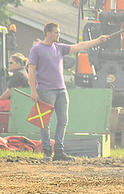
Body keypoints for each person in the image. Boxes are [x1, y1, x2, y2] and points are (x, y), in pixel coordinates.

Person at [29, 22, 109, 161]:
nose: (58, 35)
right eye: (56, 32)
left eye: (59, 32)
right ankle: (47, 150)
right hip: (46, 90)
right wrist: (33, 91)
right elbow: (31, 71)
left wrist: (98, 40)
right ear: (48, 33)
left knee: (63, 120)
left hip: (61, 90)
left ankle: (59, 151)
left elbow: (79, 46)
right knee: (45, 122)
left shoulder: (59, 48)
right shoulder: (37, 49)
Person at [0, 53, 29, 137]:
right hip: (20, 103)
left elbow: (8, 92)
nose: (9, 65)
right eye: (9, 63)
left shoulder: (18, 75)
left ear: (18, 64)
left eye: (11, 63)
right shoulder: (25, 73)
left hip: (14, 104)